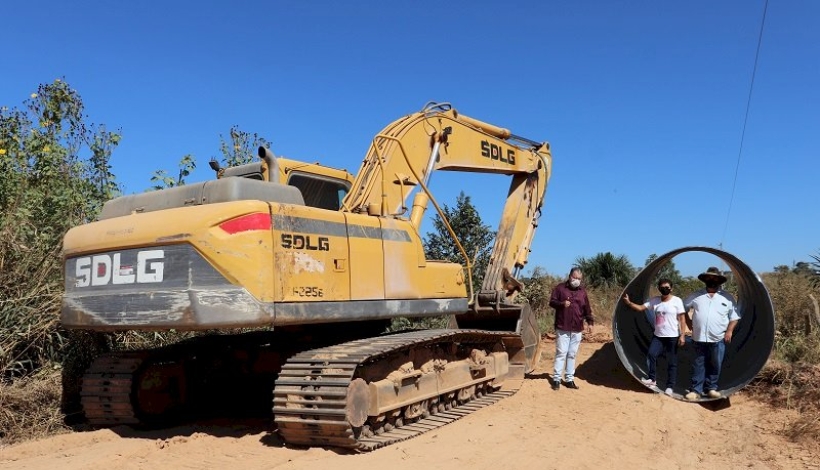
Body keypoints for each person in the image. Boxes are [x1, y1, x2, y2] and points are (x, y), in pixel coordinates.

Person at [683, 267, 740, 400]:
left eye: (715, 278)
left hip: (718, 337)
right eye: (709, 278)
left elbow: (735, 317)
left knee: (715, 363)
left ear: (719, 281)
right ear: (705, 280)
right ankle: (696, 390)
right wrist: (688, 322)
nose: (712, 280)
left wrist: (729, 331)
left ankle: (711, 388)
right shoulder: (696, 296)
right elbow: (682, 308)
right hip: (699, 337)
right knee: (698, 363)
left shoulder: (727, 298)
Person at [622, 278, 686, 396]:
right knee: (651, 354)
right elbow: (641, 308)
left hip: (672, 336)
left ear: (671, 288)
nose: (664, 289)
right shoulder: (655, 301)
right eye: (662, 287)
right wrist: (629, 303)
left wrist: (682, 335)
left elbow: (682, 319)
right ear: (659, 288)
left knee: (671, 361)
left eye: (667, 287)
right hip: (658, 336)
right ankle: (652, 379)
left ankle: (670, 386)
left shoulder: (677, 301)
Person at [549, 267, 594, 390]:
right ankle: (556, 379)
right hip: (563, 326)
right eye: (575, 277)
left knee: (572, 354)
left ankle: (569, 379)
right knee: (561, 353)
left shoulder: (582, 292)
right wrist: (562, 304)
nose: (576, 280)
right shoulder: (560, 288)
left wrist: (590, 322)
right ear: (570, 276)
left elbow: (587, 309)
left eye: (579, 279)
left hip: (577, 328)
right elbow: (552, 302)